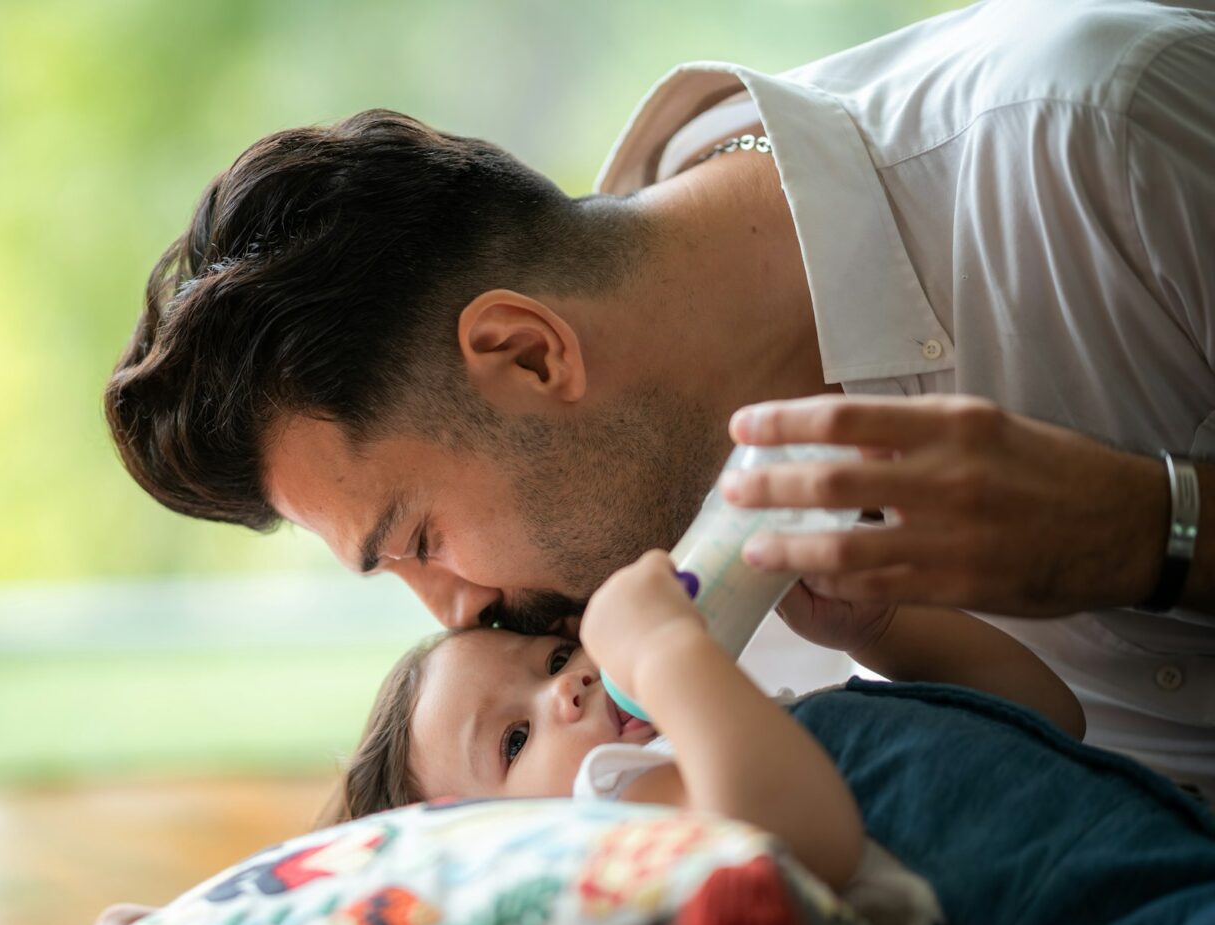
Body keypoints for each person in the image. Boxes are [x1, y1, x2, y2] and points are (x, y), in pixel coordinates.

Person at [105, 0, 1215, 799]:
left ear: (530, 355)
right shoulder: (646, 588)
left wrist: (1152, 527)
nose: (455, 614)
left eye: (423, 537)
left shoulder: (1097, 139)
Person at [330, 552, 1215, 925]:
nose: (568, 686)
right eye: (515, 738)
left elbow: (1042, 717)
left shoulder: (744, 734)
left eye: (557, 658)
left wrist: (883, 629)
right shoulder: (616, 810)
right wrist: (671, 652)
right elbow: (805, 844)